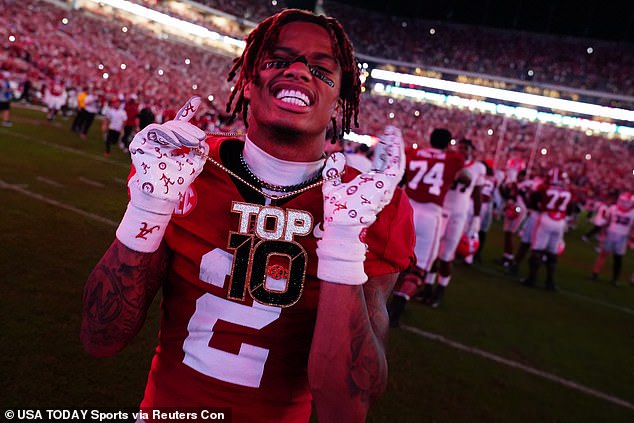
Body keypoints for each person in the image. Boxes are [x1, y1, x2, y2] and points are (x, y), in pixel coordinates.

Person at [81, 9, 415, 423]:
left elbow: (344, 408)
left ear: (341, 98)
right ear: (248, 78)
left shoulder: (373, 207)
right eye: (279, 59)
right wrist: (148, 208)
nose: (297, 70)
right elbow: (101, 337)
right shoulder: (186, 166)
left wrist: (345, 243)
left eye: (320, 67)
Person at [387, 128, 468, 325]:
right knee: (420, 266)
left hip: (407, 209)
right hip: (430, 214)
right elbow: (465, 177)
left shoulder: (413, 153)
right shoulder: (454, 159)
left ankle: (384, 301)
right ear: (448, 143)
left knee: (396, 259)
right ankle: (396, 309)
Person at [424, 138, 486, 307]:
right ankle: (428, 286)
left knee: (447, 255)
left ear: (472, 150)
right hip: (441, 210)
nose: (461, 150)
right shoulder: (448, 161)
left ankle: (440, 289)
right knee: (433, 252)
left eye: (465, 148)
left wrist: (477, 218)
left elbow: (477, 194)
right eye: (459, 147)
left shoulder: (478, 167)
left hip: (459, 214)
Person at [520, 167, 573, 291]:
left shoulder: (544, 188)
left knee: (537, 250)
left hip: (545, 218)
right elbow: (570, 210)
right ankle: (550, 282)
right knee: (552, 252)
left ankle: (531, 278)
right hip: (559, 221)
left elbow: (533, 203)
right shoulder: (568, 192)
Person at [591, 191, 634, 285]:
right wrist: (603, 233)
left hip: (622, 236)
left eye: (626, 202)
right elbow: (607, 222)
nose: (623, 203)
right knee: (604, 255)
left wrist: (630, 238)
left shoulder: (630, 212)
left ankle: (615, 278)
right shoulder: (613, 208)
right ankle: (595, 274)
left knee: (617, 258)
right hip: (611, 234)